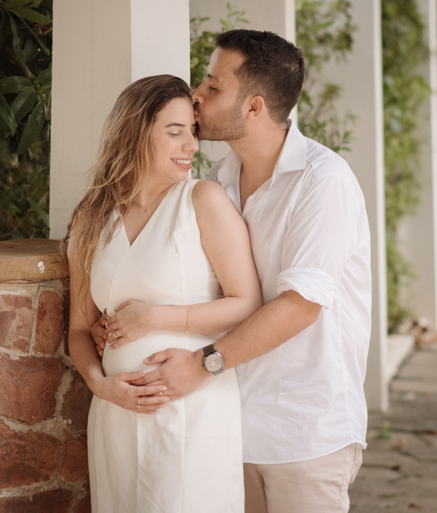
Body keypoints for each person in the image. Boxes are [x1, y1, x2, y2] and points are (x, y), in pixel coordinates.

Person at [131, 30, 372, 513]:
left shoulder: (323, 182)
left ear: (254, 107)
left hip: (304, 434)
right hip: (228, 426)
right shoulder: (216, 180)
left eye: (214, 86)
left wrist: (201, 365)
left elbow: (299, 307)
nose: (197, 95)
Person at [65, 74, 263, 513]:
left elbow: (247, 304)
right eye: (175, 132)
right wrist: (101, 386)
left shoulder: (203, 201)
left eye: (192, 131)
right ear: (135, 134)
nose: (191, 145)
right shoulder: (91, 218)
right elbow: (79, 329)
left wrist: (156, 317)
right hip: (116, 414)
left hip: (192, 407)